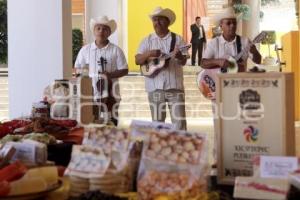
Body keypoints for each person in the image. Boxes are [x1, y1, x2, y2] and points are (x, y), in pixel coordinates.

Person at [201, 7, 262, 164]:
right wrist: (219, 61)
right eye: (228, 23)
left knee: (240, 124)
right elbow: (203, 62)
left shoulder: (245, 42)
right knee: (219, 125)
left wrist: (254, 51)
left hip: (240, 89)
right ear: (221, 25)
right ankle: (218, 158)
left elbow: (258, 60)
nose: (232, 26)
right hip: (218, 89)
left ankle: (239, 157)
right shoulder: (214, 43)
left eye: (234, 23)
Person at [135, 7, 188, 130]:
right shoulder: (146, 40)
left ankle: (180, 148)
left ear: (168, 21)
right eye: (154, 20)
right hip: (154, 88)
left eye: (160, 20)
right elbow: (137, 60)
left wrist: (179, 56)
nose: (157, 23)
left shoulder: (178, 39)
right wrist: (149, 53)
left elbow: (184, 61)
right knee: (157, 124)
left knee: (179, 123)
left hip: (175, 87)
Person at [74, 16, 128, 126]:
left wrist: (109, 75)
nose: (101, 31)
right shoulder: (85, 50)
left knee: (112, 122)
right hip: (90, 93)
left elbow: (124, 70)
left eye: (104, 29)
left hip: (111, 92)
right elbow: (77, 69)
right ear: (94, 31)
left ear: (109, 32)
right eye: (98, 28)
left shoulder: (116, 50)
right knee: (92, 122)